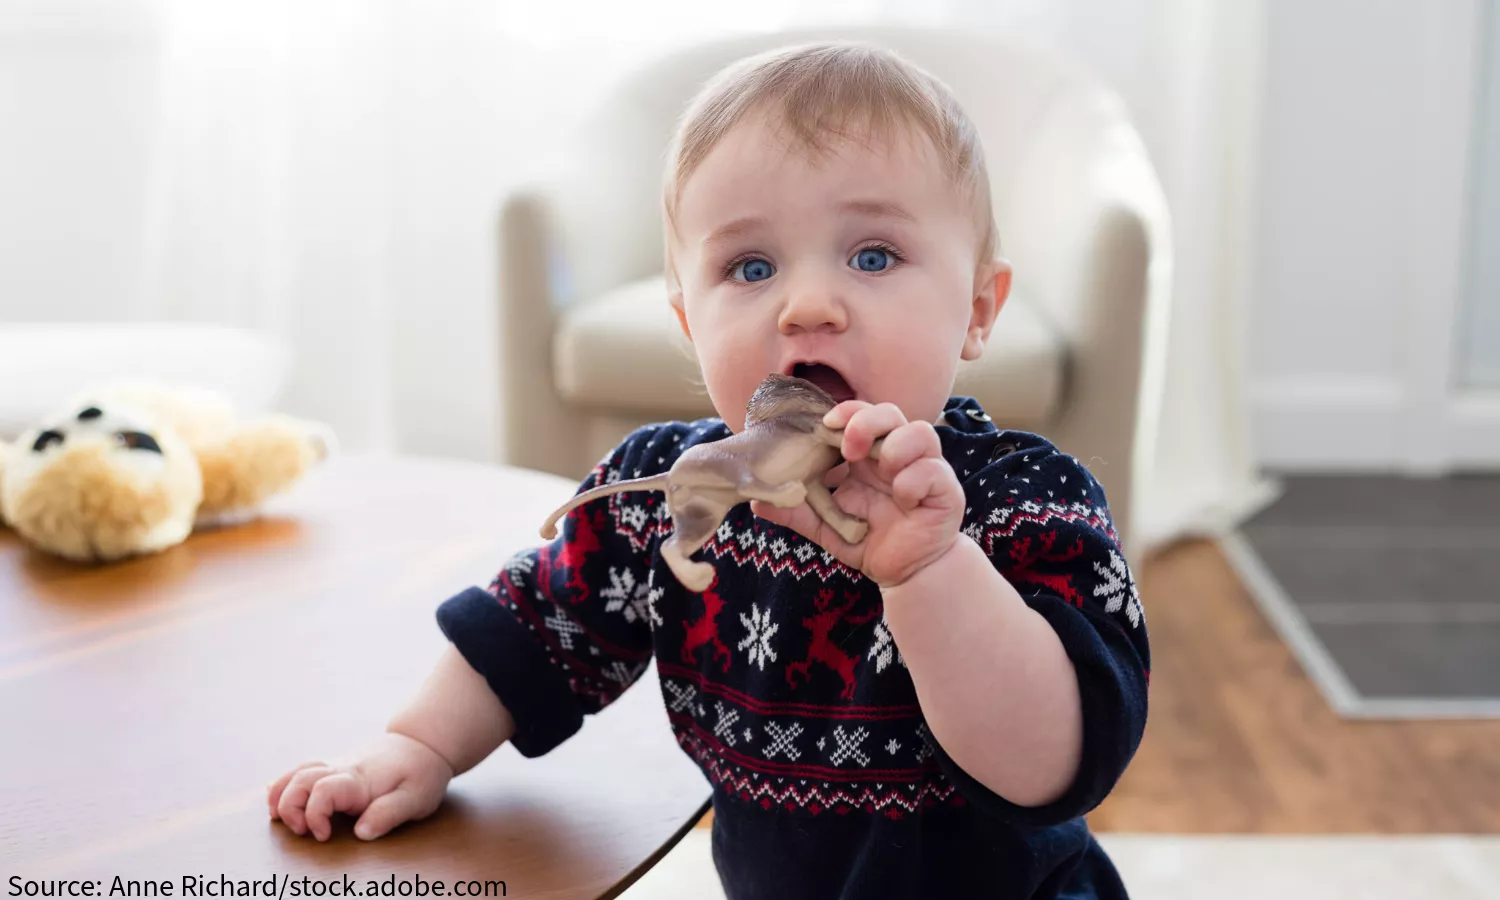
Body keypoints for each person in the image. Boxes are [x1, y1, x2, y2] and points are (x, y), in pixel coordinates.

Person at [268, 40, 1149, 900]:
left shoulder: (1023, 503)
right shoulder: (670, 489)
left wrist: (929, 571)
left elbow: (1052, 767)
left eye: (873, 256)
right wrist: (417, 748)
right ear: (691, 327)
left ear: (977, 311)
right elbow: (538, 623)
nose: (808, 306)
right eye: (750, 267)